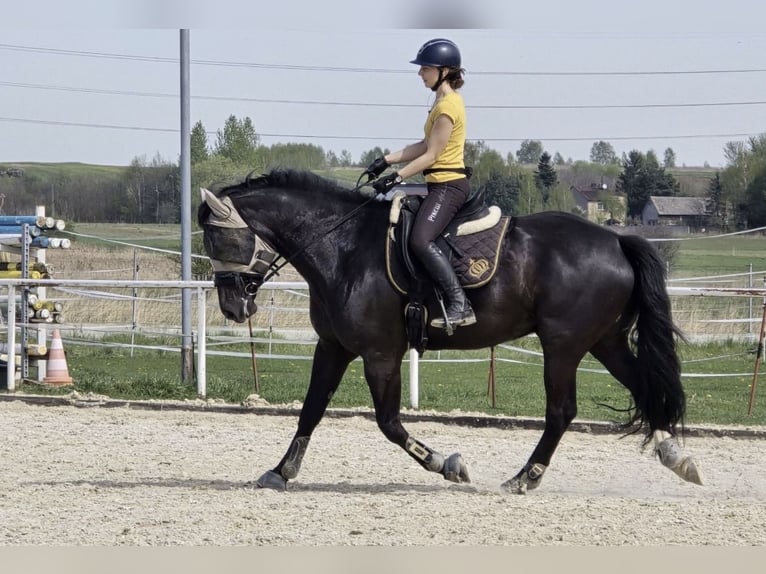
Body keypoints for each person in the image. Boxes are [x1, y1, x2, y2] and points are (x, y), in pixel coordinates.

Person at [366, 38, 475, 329]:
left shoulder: (448, 106)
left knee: (420, 239)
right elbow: (425, 144)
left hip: (449, 186)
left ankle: (459, 303)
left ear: (443, 70)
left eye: (424, 68)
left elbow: (432, 155)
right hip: (438, 185)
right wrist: (385, 161)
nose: (420, 74)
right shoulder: (440, 103)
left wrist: (397, 177)